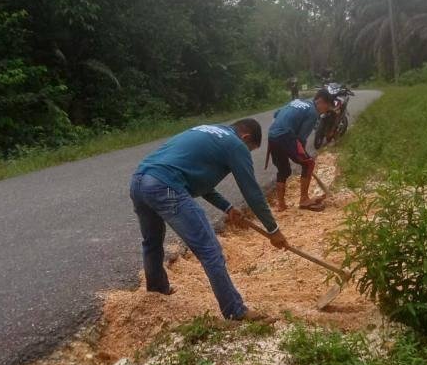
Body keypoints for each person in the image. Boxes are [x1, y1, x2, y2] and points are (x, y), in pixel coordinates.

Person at [130, 118, 288, 320]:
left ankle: (157, 293)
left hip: (139, 181)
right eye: (249, 149)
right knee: (209, 249)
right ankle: (235, 311)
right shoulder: (235, 144)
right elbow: (252, 192)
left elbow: (199, 182)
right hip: (165, 187)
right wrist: (273, 230)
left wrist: (228, 207)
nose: (245, 153)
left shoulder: (211, 132)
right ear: (245, 137)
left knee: (151, 242)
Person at [267, 89, 335, 212]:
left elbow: (276, 114)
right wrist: (304, 155)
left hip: (272, 135)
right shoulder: (313, 113)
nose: (325, 111)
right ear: (320, 102)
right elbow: (301, 138)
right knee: (309, 163)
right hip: (285, 135)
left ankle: (281, 205)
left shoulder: (297, 101)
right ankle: (304, 199)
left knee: (284, 170)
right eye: (327, 107)